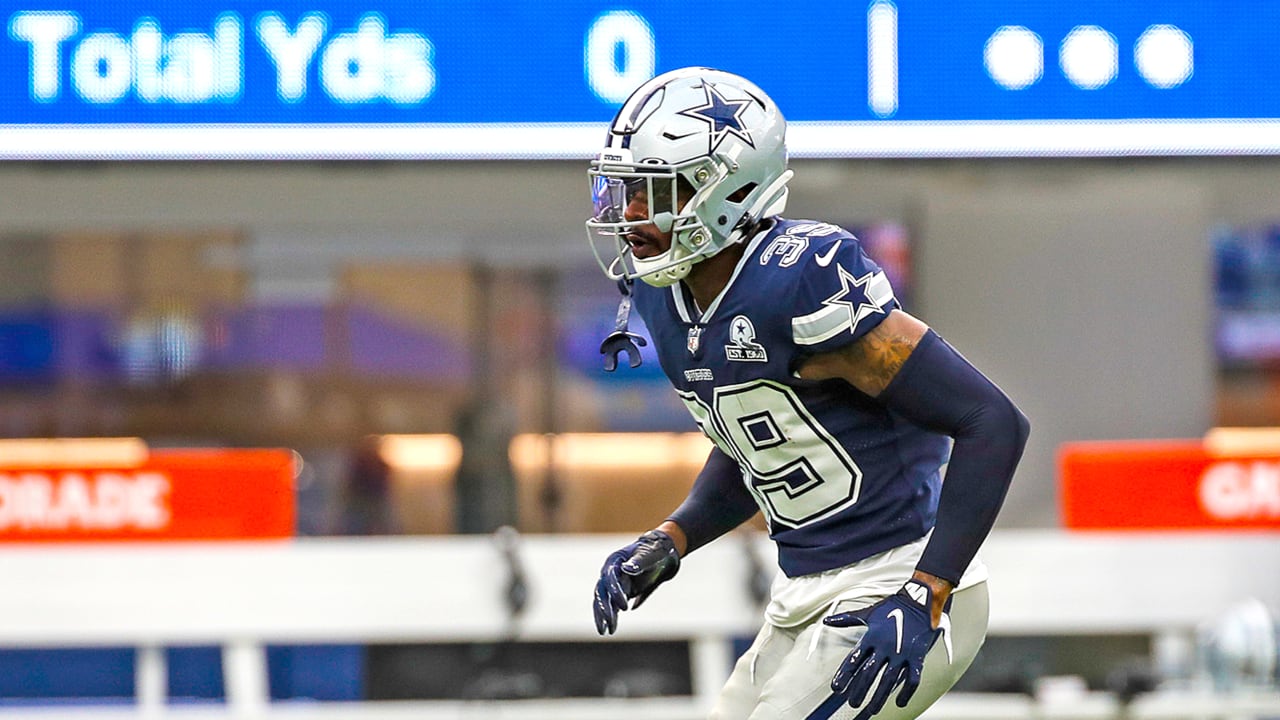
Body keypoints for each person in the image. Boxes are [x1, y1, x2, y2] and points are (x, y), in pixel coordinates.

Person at [585, 67, 1030, 720]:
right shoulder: (662, 295)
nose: (630, 215)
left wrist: (926, 590)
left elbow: (992, 421)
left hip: (899, 580)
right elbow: (757, 444)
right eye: (624, 191)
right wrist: (673, 538)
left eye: (654, 192)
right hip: (801, 594)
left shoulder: (800, 278)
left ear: (726, 189)